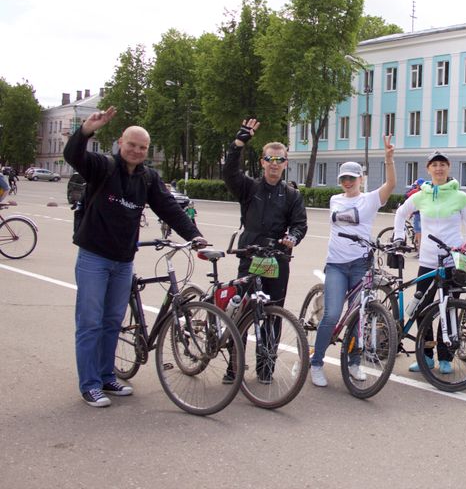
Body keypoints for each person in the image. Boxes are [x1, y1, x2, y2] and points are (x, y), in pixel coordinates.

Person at [63, 106, 206, 407]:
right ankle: (89, 385)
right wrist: (86, 130)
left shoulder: (148, 179)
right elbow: (73, 156)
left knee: (113, 320)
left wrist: (195, 236)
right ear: (120, 142)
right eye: (132, 144)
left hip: (123, 260)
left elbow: (170, 209)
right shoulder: (102, 167)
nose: (137, 151)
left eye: (143, 147)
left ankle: (106, 377)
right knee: (90, 322)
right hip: (94, 257)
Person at [223, 118, 308, 383]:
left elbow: (300, 225)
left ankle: (265, 366)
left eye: (279, 160)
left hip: (276, 259)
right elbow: (229, 172)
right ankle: (234, 367)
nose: (274, 164)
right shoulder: (249, 188)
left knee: (271, 313)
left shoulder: (292, 195)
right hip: (251, 256)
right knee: (242, 310)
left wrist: (291, 238)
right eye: (270, 159)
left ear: (286, 163)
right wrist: (239, 143)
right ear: (262, 162)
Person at [310, 137, 395, 388]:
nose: (347, 182)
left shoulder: (369, 200)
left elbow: (391, 184)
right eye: (344, 179)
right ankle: (316, 362)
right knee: (333, 315)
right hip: (336, 264)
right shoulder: (335, 200)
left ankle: (354, 362)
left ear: (361, 179)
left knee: (360, 316)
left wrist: (389, 158)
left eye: (352, 178)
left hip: (360, 265)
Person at [392, 150, 466, 374]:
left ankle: (446, 358)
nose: (438, 168)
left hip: (453, 262)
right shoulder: (421, 195)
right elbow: (400, 214)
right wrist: (399, 237)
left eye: (442, 164)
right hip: (429, 261)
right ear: (428, 169)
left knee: (448, 310)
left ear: (448, 167)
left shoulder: (461, 196)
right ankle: (427, 355)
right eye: (434, 165)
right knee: (422, 310)